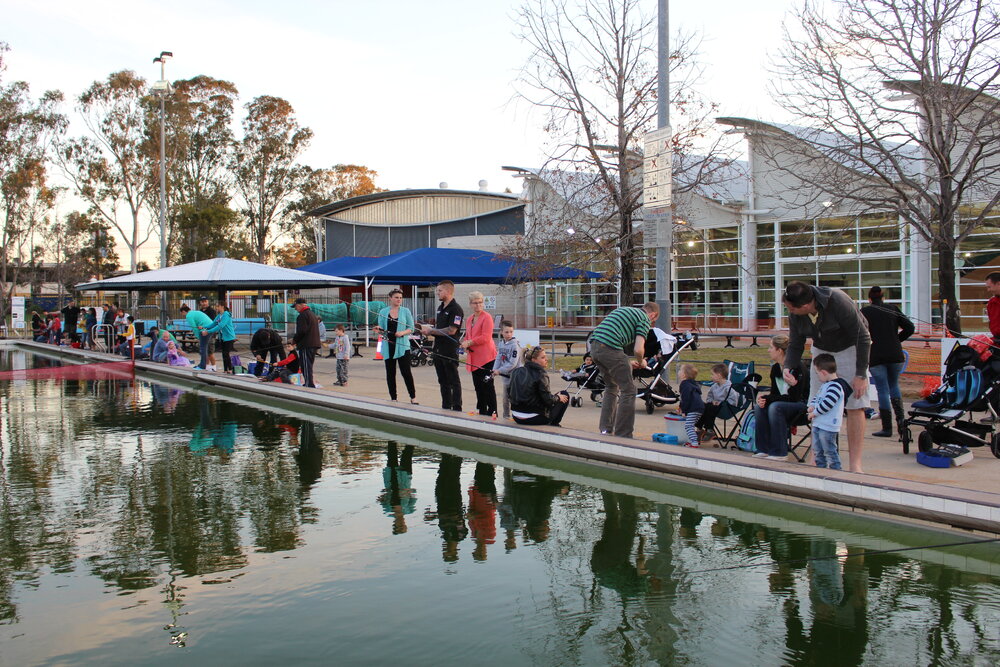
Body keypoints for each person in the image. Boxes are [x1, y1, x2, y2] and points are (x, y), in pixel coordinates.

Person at [782, 281, 871, 473]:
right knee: (816, 404)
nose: (788, 311)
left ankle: (855, 465)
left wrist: (860, 374)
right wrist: (788, 366)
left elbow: (863, 337)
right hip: (822, 349)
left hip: (850, 348)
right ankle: (817, 459)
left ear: (805, 306)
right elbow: (796, 342)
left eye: (790, 308)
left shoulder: (838, 301)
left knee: (855, 404)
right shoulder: (796, 313)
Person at [589, 302, 658, 438]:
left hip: (595, 347)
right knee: (629, 390)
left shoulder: (625, 310)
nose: (651, 324)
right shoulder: (644, 319)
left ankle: (606, 430)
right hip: (610, 347)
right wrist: (641, 361)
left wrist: (627, 362)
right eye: (653, 321)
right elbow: (638, 349)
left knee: (611, 387)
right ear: (653, 315)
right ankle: (624, 434)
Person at [861, 286, 915, 438]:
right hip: (895, 354)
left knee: (882, 390)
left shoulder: (864, 312)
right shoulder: (892, 309)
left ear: (869, 299)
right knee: (894, 386)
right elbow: (910, 327)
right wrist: (897, 340)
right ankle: (901, 424)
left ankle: (887, 427)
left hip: (876, 355)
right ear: (883, 297)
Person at [752, 334, 811, 461]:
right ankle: (763, 449)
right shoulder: (775, 369)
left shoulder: (798, 368)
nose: (768, 350)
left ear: (779, 350)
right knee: (759, 407)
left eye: (770, 347)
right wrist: (764, 400)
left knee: (775, 406)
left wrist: (770, 400)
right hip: (784, 404)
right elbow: (775, 394)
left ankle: (779, 451)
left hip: (802, 406)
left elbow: (795, 397)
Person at [420, 280, 464, 411]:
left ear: (448, 291)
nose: (437, 293)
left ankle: (456, 407)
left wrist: (431, 331)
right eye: (437, 291)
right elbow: (439, 328)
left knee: (453, 380)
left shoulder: (456, 309)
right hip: (438, 348)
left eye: (440, 291)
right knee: (442, 380)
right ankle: (446, 405)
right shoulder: (440, 308)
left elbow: (451, 330)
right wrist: (429, 330)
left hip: (449, 349)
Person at [807, 354, 852, 471]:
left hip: (828, 425)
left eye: (817, 373)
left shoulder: (835, 387)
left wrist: (815, 412)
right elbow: (817, 397)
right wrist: (812, 405)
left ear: (823, 372)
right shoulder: (825, 386)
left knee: (829, 450)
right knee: (818, 449)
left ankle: (835, 470)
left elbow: (827, 404)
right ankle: (820, 469)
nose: (817, 376)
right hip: (819, 423)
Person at [507, 346, 569, 426]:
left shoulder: (516, 371)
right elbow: (548, 400)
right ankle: (553, 424)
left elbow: (509, 393)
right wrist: (558, 397)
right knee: (564, 394)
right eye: (543, 357)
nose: (546, 359)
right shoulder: (541, 373)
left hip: (516, 416)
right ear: (533, 360)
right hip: (534, 418)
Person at [374, 289, 417, 401]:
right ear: (390, 298)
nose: (399, 299)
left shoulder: (405, 311)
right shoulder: (383, 312)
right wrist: (379, 330)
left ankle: (413, 397)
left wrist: (402, 333)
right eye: (396, 297)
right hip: (389, 346)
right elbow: (382, 330)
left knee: (406, 372)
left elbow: (411, 328)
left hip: (402, 346)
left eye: (400, 298)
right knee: (390, 373)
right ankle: (393, 398)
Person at [460, 291, 497, 416]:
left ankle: (493, 411)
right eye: (475, 303)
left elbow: (485, 337)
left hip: (487, 357)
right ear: (470, 304)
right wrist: (465, 343)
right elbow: (468, 335)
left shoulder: (487, 317)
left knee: (488, 386)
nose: (478, 305)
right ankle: (482, 410)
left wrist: (469, 342)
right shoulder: (469, 319)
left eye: (480, 302)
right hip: (474, 357)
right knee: (478, 386)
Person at [695, 363, 740, 445]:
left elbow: (734, 400)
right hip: (713, 408)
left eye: (712, 374)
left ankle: (708, 430)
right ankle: (700, 428)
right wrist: (712, 401)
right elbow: (709, 397)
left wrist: (721, 403)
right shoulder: (714, 386)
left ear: (719, 375)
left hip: (726, 409)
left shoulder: (729, 387)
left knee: (710, 407)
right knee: (704, 406)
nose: (711, 376)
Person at [492, 320, 522, 420]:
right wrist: (494, 370)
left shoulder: (515, 345)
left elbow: (513, 363)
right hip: (505, 378)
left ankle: (517, 416)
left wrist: (499, 371)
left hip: (515, 377)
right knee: (505, 398)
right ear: (501, 332)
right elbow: (499, 358)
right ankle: (506, 416)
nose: (509, 334)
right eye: (506, 332)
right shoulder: (501, 344)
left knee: (514, 398)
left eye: (511, 332)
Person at [290, 297, 321, 388]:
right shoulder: (312, 314)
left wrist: (294, 340)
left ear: (299, 305)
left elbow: (301, 331)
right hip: (314, 343)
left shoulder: (302, 316)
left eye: (295, 306)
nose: (295, 309)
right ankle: (309, 382)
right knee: (309, 364)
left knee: (305, 365)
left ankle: (309, 384)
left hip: (306, 344)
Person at [202, 302, 237, 374]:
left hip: (229, 337)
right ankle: (225, 370)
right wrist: (204, 327)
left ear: (222, 307)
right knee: (223, 354)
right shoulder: (219, 315)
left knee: (226, 353)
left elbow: (220, 326)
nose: (216, 308)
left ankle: (230, 369)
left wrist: (208, 331)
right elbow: (213, 323)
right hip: (222, 337)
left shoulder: (226, 315)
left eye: (217, 306)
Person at [676, 364, 705, 448]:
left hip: (693, 408)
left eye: (680, 370)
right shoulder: (693, 384)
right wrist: (680, 407)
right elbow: (685, 398)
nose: (678, 371)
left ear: (684, 375)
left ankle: (694, 443)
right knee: (691, 425)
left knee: (688, 426)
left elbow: (686, 398)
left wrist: (684, 411)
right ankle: (692, 441)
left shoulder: (684, 384)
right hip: (700, 407)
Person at [180, 303, 214, 370]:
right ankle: (204, 364)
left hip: (204, 329)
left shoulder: (189, 315)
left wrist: (198, 337)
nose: (182, 315)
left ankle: (202, 366)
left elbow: (194, 327)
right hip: (211, 327)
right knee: (205, 347)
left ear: (183, 311)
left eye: (181, 313)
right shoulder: (194, 312)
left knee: (202, 348)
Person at [198, 296, 219, 370]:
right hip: (202, 333)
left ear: (208, 302)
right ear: (200, 303)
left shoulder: (212, 311)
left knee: (210, 351)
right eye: (202, 302)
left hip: (210, 334)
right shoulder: (200, 312)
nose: (204, 303)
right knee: (204, 351)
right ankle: (206, 366)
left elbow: (213, 323)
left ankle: (214, 367)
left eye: (205, 301)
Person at [987, 271, 1000, 345]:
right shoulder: (992, 302)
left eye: (989, 287)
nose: (988, 290)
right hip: (996, 341)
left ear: (998, 283)